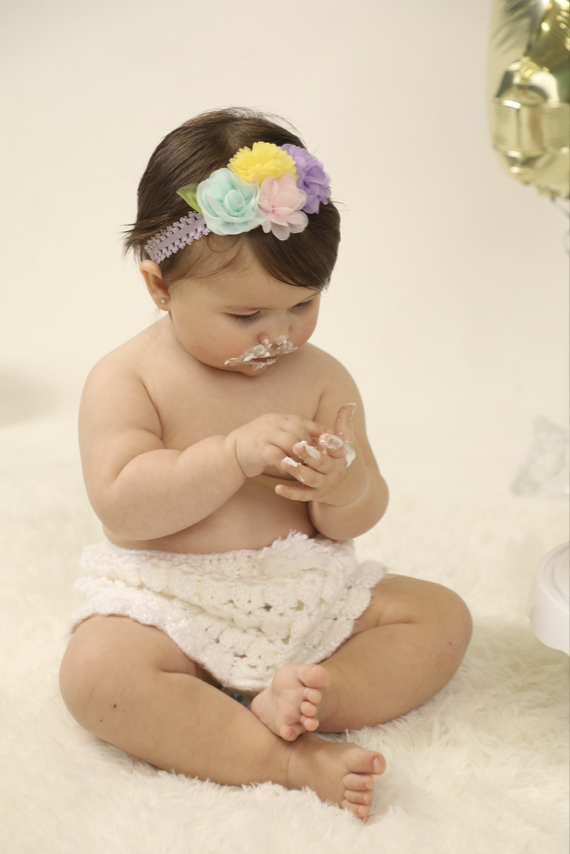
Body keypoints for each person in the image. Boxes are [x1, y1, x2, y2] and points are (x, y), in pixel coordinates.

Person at [59, 108, 472, 821]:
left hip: (304, 590)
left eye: (302, 305)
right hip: (170, 601)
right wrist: (227, 456)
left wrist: (344, 486)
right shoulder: (129, 379)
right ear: (160, 288)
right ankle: (281, 757)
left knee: (440, 617)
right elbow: (124, 507)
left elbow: (359, 513)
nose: (278, 335)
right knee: (97, 675)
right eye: (245, 317)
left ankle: (318, 692)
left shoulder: (321, 378)